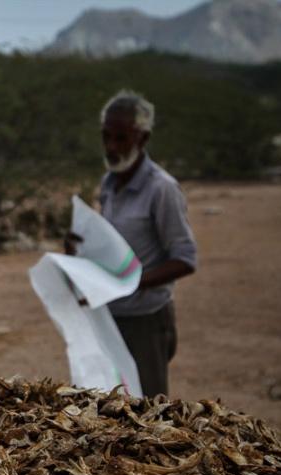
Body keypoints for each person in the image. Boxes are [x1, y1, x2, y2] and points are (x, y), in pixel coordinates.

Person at [66, 90, 198, 397]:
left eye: (121, 138)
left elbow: (185, 258)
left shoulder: (161, 189)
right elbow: (114, 245)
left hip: (145, 320)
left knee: (146, 409)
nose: (111, 147)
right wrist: (78, 248)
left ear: (143, 138)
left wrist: (133, 283)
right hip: (109, 315)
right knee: (107, 404)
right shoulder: (109, 183)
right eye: (106, 137)